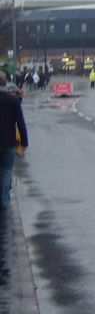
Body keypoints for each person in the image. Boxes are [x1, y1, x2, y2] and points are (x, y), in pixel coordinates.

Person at [0, 72, 28, 211]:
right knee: (6, 171)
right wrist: (24, 142)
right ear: (6, 83)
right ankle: (4, 201)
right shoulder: (13, 101)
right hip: (8, 141)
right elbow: (21, 124)